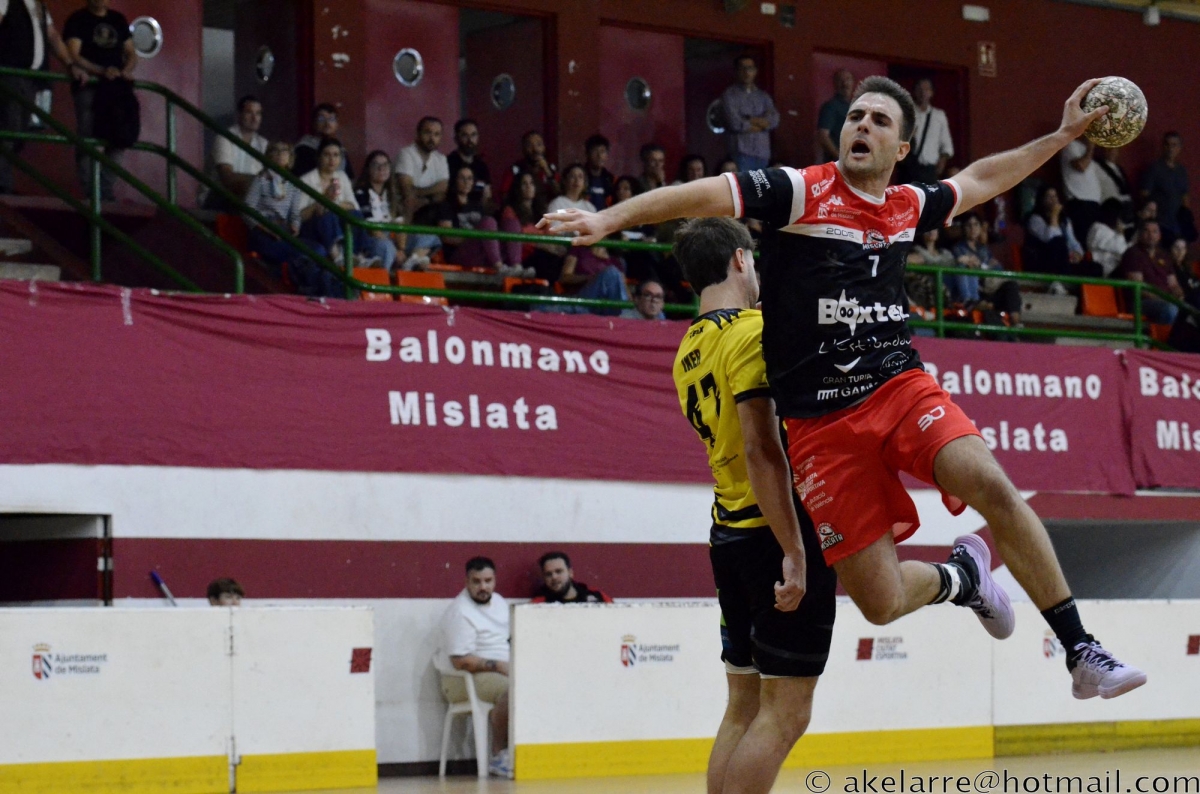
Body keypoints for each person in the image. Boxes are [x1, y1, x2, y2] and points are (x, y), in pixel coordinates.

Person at [543, 76, 1145, 701]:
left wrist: (1063, 135)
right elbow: (698, 194)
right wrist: (609, 217)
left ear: (902, 148)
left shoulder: (908, 206)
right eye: (856, 115)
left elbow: (984, 179)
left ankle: (1080, 649)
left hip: (897, 386)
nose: (862, 126)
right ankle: (961, 577)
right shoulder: (800, 191)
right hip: (820, 428)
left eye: (880, 121)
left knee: (991, 482)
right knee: (880, 603)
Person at [667, 217, 836, 794]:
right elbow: (764, 449)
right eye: (755, 261)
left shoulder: (687, 348)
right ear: (741, 260)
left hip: (727, 533)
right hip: (771, 531)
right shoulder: (750, 333)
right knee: (786, 712)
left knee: (741, 706)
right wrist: (795, 548)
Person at [438, 557, 511, 778]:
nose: (483, 587)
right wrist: (499, 666)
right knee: (512, 690)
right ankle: (498, 756)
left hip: (502, 668)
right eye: (476, 581)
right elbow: (460, 661)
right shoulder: (460, 611)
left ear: (495, 580)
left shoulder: (500, 602)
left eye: (488, 581)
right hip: (463, 677)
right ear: (466, 581)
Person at [63, 0, 137, 201]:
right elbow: (73, 54)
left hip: (116, 87)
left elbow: (131, 52)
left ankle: (104, 191)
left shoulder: (118, 19)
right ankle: (90, 192)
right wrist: (102, 71)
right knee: (87, 135)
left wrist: (125, 71)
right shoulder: (78, 19)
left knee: (121, 136)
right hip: (89, 86)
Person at [0, 0, 70, 196]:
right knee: (9, 128)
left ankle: (4, 182)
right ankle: (3, 185)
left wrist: (71, 64)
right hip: (10, 75)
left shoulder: (39, 5)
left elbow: (52, 36)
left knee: (20, 131)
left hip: (33, 79)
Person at [297, 136, 385, 277]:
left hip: (339, 224)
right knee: (326, 214)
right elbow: (299, 216)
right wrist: (322, 202)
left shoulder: (342, 177)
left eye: (336, 155)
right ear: (319, 157)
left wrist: (331, 204)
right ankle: (337, 256)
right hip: (312, 229)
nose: (332, 159)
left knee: (354, 215)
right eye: (327, 155)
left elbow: (353, 207)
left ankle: (360, 256)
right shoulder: (307, 180)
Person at [545, 164, 628, 312]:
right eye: (572, 176)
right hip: (571, 254)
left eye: (580, 177)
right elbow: (556, 232)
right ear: (564, 180)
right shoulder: (557, 203)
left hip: (606, 302)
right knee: (611, 273)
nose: (576, 180)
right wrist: (593, 278)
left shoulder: (589, 206)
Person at [243, 141, 320, 281]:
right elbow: (248, 209)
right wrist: (266, 228)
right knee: (297, 255)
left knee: (318, 250)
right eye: (275, 151)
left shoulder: (293, 183)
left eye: (284, 151)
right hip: (263, 230)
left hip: (283, 229)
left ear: (290, 156)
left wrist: (295, 225)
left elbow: (295, 213)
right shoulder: (261, 179)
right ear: (268, 155)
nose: (280, 154)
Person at [436, 164, 530, 276]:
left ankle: (517, 267)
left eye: (469, 178)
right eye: (462, 178)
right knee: (488, 222)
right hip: (461, 252)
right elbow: (447, 237)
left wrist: (483, 237)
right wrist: (476, 236)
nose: (466, 182)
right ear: (455, 180)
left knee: (512, 223)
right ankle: (499, 267)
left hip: (483, 251)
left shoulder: (477, 206)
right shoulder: (446, 205)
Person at [950, 213, 1022, 325]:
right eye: (969, 225)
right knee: (967, 268)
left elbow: (998, 268)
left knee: (1011, 286)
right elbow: (964, 266)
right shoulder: (958, 248)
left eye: (976, 225)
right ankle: (974, 303)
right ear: (964, 228)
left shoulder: (983, 249)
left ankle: (1017, 323)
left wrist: (981, 266)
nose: (973, 229)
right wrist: (983, 266)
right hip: (974, 291)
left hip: (988, 289)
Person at [719, 55, 780, 173]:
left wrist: (748, 119)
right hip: (740, 153)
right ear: (736, 71)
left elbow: (774, 120)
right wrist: (762, 124)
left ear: (755, 71)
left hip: (763, 154)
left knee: (761, 190)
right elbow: (734, 123)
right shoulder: (729, 95)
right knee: (744, 189)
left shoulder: (763, 96)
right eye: (743, 68)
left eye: (750, 68)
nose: (747, 72)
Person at [206, 95, 268, 208]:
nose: (255, 118)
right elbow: (227, 178)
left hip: (248, 200)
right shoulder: (225, 137)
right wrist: (257, 182)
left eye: (258, 113)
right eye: (249, 113)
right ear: (239, 115)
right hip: (219, 198)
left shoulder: (263, 144)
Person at [1119, 219, 1184, 325]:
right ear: (1140, 234)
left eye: (1155, 232)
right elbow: (1139, 288)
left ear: (1159, 235)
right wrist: (1164, 299)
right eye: (1146, 231)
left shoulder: (1164, 256)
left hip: (1166, 301)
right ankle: (1163, 340)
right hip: (1141, 303)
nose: (1151, 235)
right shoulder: (1133, 254)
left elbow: (1173, 284)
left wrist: (1180, 295)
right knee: (1170, 309)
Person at [396, 115, 450, 228]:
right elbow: (407, 191)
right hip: (403, 210)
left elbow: (443, 190)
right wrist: (431, 193)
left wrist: (423, 199)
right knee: (409, 202)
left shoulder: (441, 159)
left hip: (428, 208)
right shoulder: (406, 153)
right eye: (427, 133)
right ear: (418, 134)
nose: (432, 138)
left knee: (444, 207)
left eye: (436, 134)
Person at [352, 150, 400, 272]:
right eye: (376, 165)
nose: (381, 168)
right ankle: (383, 282)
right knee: (386, 247)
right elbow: (371, 228)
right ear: (368, 169)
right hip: (372, 238)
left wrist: (402, 249)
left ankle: (412, 260)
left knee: (427, 236)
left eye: (385, 165)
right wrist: (393, 246)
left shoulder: (392, 193)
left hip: (392, 234)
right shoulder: (361, 193)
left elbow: (400, 223)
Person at [1024, 184, 1085, 279]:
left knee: (1096, 268)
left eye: (1055, 196)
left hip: (1067, 261)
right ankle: (1060, 284)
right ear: (1042, 200)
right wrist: (1054, 215)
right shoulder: (1035, 219)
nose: (1053, 200)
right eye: (1049, 196)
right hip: (1046, 261)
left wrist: (1078, 254)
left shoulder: (1065, 220)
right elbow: (1050, 238)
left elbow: (1074, 242)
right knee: (1059, 242)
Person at [1140, 131, 1191, 243]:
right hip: (1160, 224)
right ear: (1163, 147)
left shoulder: (1181, 171)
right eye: (1167, 144)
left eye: (1174, 145)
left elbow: (1185, 196)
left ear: (1179, 148)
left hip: (1177, 224)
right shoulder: (1155, 168)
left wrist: (1186, 219)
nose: (1170, 148)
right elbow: (1144, 194)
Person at [902, 77, 954, 183]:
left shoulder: (939, 116)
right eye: (920, 90)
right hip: (909, 168)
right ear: (915, 92)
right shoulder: (907, 114)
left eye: (926, 90)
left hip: (930, 170)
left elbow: (946, 144)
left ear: (931, 93)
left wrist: (942, 162)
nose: (923, 93)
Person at [905, 228, 952, 335]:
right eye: (928, 229)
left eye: (935, 229)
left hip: (943, 292)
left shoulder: (946, 254)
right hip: (921, 293)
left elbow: (950, 263)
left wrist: (924, 261)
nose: (931, 232)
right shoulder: (915, 251)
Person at [1059, 137, 1102, 242]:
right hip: (1079, 202)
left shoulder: (1083, 148)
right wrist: (1090, 148)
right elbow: (1081, 166)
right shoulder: (1070, 146)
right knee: (1083, 241)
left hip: (1092, 203)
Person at [293, 103, 352, 178]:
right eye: (321, 119)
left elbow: (349, 177)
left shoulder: (340, 149)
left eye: (331, 119)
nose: (327, 123)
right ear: (314, 123)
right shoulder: (304, 149)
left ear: (337, 124)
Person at [530, 552, 612, 603]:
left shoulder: (598, 597)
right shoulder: (539, 604)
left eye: (558, 571)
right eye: (548, 574)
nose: (554, 577)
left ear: (570, 573)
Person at [499, 130, 556, 202]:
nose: (535, 149)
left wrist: (547, 171)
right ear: (523, 149)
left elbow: (559, 193)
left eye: (539, 144)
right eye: (530, 145)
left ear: (544, 147)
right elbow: (504, 195)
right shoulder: (515, 169)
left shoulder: (551, 168)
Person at [446, 118, 490, 202]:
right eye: (465, 135)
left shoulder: (482, 166)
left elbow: (486, 195)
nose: (470, 140)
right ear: (456, 138)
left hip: (477, 212)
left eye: (473, 135)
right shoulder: (447, 163)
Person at [816, 68, 854, 164]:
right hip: (838, 166)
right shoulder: (831, 106)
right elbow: (823, 136)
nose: (845, 84)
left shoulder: (856, 106)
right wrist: (841, 158)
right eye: (840, 80)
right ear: (834, 84)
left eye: (848, 79)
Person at [1086, 198, 1129, 278]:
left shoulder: (1113, 231)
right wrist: (1120, 234)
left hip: (1113, 269)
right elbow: (1120, 249)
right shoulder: (1098, 228)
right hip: (1103, 270)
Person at [583, 133, 614, 209]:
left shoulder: (611, 180)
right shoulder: (580, 178)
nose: (599, 156)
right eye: (595, 151)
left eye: (602, 151)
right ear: (587, 153)